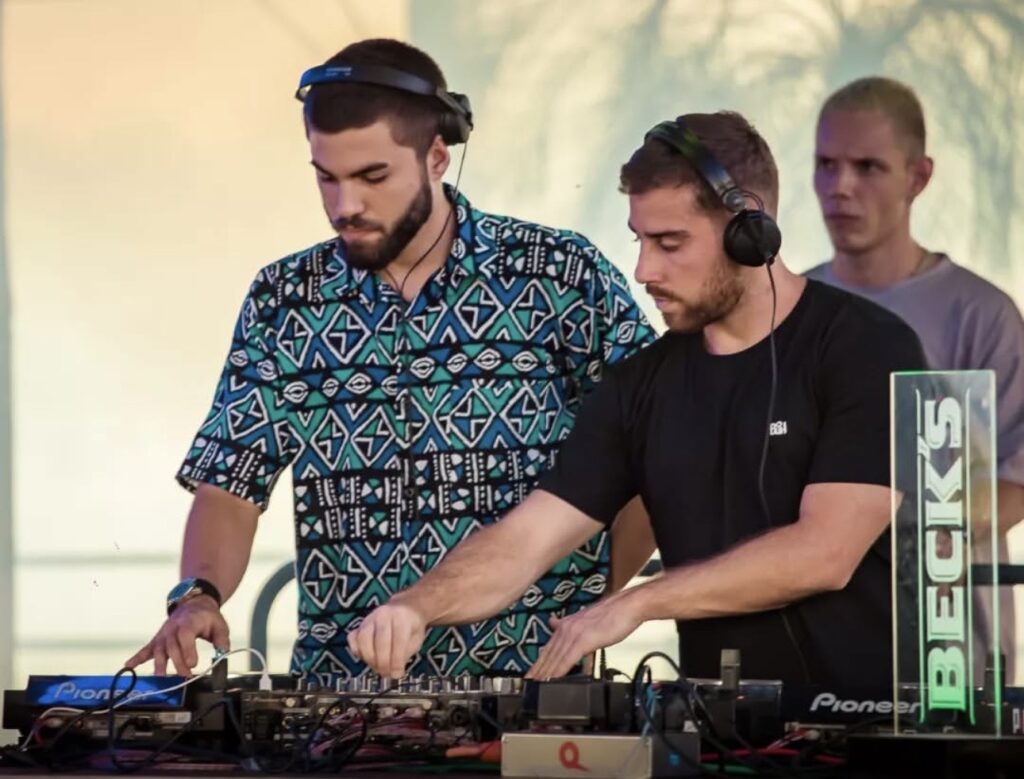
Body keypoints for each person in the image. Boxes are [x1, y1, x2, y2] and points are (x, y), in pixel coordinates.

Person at [125, 39, 656, 683]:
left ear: (437, 156)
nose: (344, 205)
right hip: (341, 698)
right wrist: (197, 596)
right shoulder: (284, 299)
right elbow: (230, 482)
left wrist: (594, 597)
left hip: (532, 692)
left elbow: (657, 451)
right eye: (327, 177)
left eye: (372, 177)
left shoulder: (558, 276)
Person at [348, 110, 928, 691]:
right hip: (714, 731)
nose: (644, 269)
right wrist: (416, 606)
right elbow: (525, 541)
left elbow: (826, 552)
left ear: (749, 233)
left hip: (866, 726)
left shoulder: (867, 347)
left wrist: (636, 602)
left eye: (670, 243)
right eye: (640, 240)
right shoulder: (640, 384)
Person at [806, 76, 1024, 680]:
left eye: (868, 166)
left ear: (918, 177)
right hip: (816, 650)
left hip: (950, 658)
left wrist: (903, 538)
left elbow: (1016, 481)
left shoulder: (982, 316)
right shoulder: (790, 310)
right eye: (826, 164)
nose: (840, 187)